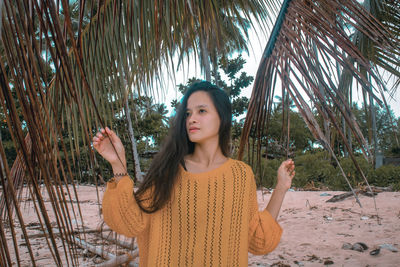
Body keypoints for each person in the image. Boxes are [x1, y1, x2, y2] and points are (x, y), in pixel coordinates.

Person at [92, 81, 295, 267]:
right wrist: (117, 163)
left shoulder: (241, 175)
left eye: (202, 111)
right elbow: (131, 222)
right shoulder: (167, 169)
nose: (192, 119)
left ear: (222, 118)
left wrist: (281, 187)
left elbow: (256, 238)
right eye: (188, 113)